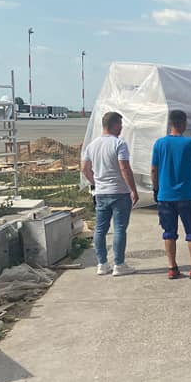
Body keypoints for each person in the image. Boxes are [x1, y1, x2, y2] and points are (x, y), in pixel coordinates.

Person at [151, 109, 191, 280]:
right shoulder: (190, 143)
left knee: (169, 232)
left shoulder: (159, 143)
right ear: (184, 123)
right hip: (185, 195)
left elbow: (154, 169)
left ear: (171, 123)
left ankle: (172, 267)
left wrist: (156, 189)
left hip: (165, 195)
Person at [80, 111, 139, 276]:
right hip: (119, 192)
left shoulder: (92, 145)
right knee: (119, 229)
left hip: (101, 193)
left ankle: (102, 264)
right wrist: (133, 189)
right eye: (120, 125)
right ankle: (119, 264)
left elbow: (84, 169)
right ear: (114, 125)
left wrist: (95, 182)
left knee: (100, 230)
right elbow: (124, 167)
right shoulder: (119, 144)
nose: (121, 128)